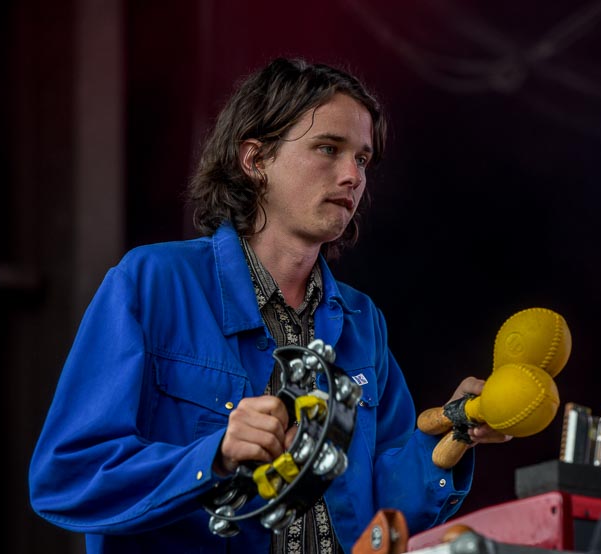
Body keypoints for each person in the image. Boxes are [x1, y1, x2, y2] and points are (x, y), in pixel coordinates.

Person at [28, 57, 511, 553]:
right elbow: (68, 476)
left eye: (363, 159)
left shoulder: (363, 321)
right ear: (255, 160)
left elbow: (383, 516)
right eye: (329, 148)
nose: (353, 175)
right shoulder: (153, 282)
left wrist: (453, 433)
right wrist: (214, 456)